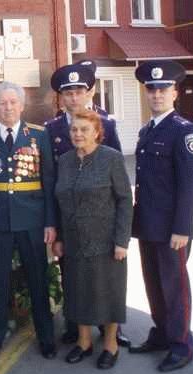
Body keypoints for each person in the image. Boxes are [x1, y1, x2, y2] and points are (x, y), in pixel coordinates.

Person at [45, 63, 130, 348]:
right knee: (75, 279)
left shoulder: (106, 125)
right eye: (67, 93)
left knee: (107, 281)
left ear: (89, 91)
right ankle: (76, 331)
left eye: (79, 91)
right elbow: (53, 185)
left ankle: (111, 333)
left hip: (102, 223)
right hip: (71, 221)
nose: (73, 97)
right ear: (61, 97)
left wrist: (121, 237)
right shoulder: (52, 129)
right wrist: (56, 229)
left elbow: (119, 184)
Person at [0, 81, 57, 361]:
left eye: (13, 102)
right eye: (2, 103)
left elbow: (48, 180)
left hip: (32, 219)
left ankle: (46, 336)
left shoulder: (39, 135)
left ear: (22, 106)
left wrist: (49, 222)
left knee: (38, 280)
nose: (8, 107)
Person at [129, 60, 193, 373]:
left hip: (173, 229)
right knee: (154, 285)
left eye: (163, 89)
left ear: (175, 92)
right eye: (151, 89)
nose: (157, 94)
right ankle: (161, 334)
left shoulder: (184, 131)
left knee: (175, 288)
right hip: (148, 224)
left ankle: (181, 345)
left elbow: (190, 185)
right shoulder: (148, 130)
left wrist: (182, 228)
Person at [53, 110, 133, 369]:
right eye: (74, 129)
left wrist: (122, 240)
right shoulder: (64, 161)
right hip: (75, 241)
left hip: (106, 241)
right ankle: (84, 341)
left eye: (84, 130)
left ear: (97, 132)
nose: (78, 134)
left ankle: (111, 344)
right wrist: (60, 238)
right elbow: (60, 202)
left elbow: (124, 200)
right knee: (78, 291)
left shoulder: (111, 158)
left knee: (108, 292)